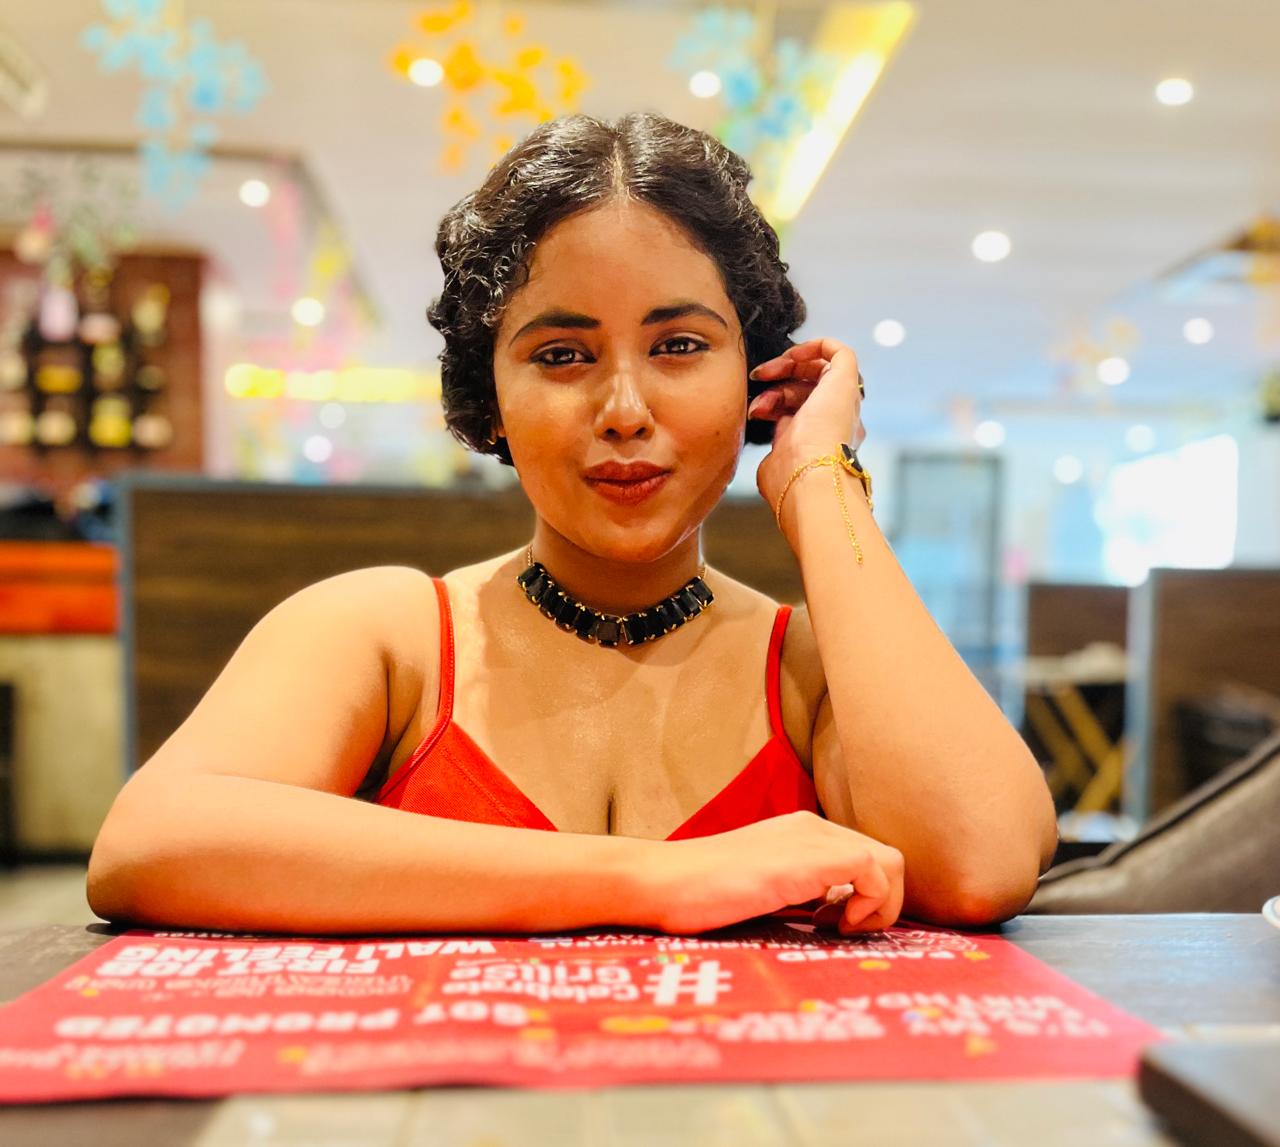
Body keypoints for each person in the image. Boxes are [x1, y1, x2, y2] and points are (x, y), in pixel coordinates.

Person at [87, 113, 1057, 938]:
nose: (624, 410)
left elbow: (979, 862)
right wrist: (652, 881)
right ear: (491, 399)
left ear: (753, 381)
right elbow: (151, 839)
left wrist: (820, 477)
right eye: (560, 354)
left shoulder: (811, 671)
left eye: (680, 345)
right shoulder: (388, 637)